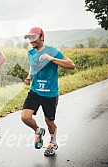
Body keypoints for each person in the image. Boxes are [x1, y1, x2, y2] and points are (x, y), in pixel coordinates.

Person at [21, 27, 75, 156]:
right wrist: (29, 76)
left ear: (42, 37)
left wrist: (51, 58)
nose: (31, 40)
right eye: (29, 38)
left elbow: (71, 65)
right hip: (35, 91)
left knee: (49, 121)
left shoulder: (53, 51)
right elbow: (32, 65)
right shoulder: (31, 53)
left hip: (50, 93)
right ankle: (38, 131)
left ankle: (53, 142)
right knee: (25, 117)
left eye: (34, 37)